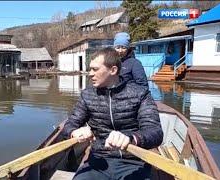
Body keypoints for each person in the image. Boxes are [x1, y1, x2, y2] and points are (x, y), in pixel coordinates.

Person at [62, 47, 163, 180]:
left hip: (134, 161)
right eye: (90, 69)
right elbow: (69, 125)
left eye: (95, 69)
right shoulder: (87, 95)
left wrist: (130, 138)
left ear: (113, 70)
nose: (90, 74)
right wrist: (74, 132)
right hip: (99, 161)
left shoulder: (140, 94)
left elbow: (155, 132)